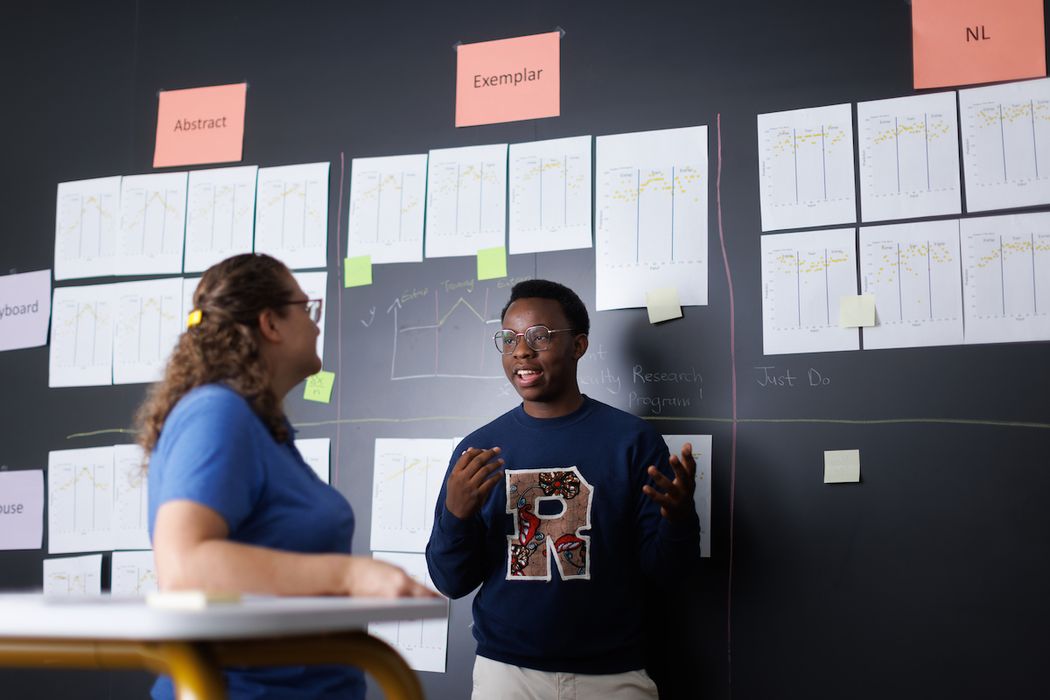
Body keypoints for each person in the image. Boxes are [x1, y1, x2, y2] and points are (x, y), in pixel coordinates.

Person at [136, 253, 434, 700]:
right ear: (270, 324)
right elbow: (184, 568)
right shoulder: (216, 413)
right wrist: (349, 577)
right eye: (307, 309)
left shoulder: (261, 427)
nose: (317, 326)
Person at [425, 279, 701, 699]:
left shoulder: (632, 441)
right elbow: (451, 581)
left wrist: (679, 519)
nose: (521, 351)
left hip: (613, 674)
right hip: (506, 674)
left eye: (540, 336)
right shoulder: (477, 450)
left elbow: (667, 573)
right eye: (509, 339)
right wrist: (456, 515)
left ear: (579, 345)